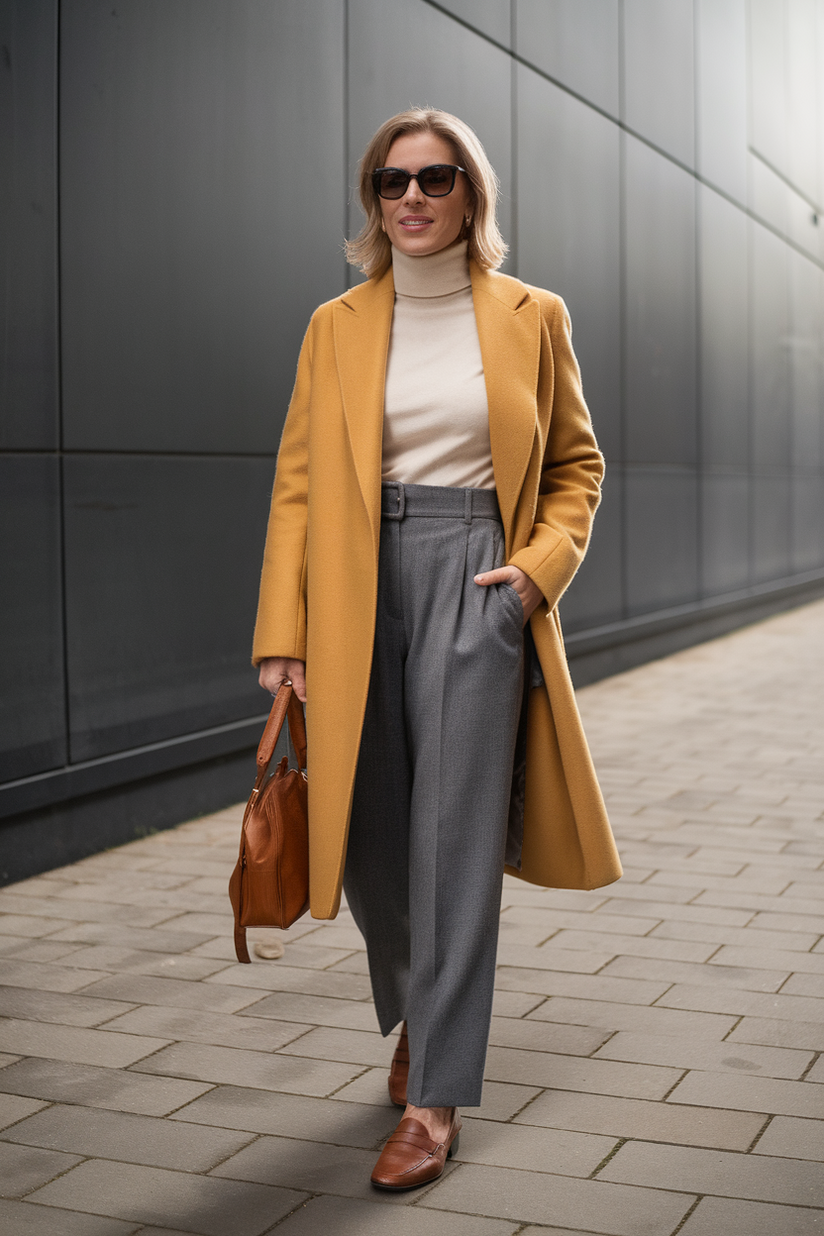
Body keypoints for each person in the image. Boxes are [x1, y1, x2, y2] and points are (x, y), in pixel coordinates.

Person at [253, 108, 621, 1190]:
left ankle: (435, 1096)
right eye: (389, 180)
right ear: (371, 200)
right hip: (355, 589)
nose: (410, 197)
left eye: (435, 178)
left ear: (471, 195)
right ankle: (422, 1008)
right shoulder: (335, 324)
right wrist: (284, 633)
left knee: (453, 840)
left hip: (476, 582)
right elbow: (298, 486)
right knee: (366, 835)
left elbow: (575, 466)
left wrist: (534, 576)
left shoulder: (529, 314)